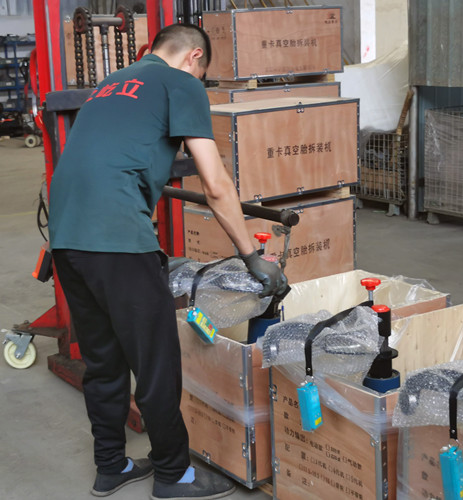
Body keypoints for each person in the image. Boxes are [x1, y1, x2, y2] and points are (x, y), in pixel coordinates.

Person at [49, 24, 287, 499]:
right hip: (118, 236)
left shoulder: (112, 83)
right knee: (155, 361)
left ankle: (111, 466)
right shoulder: (181, 83)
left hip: (66, 236)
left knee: (104, 360)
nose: (199, 79)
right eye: (202, 72)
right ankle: (174, 475)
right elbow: (215, 183)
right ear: (193, 57)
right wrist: (251, 256)